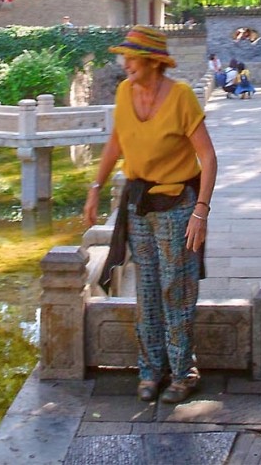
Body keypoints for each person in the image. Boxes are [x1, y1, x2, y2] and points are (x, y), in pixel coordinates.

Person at [84, 25, 218, 405]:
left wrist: (201, 212)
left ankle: (183, 371)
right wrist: (95, 187)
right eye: (125, 56)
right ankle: (150, 369)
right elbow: (116, 142)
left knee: (176, 288)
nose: (125, 63)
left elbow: (207, 158)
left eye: (132, 57)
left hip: (177, 204)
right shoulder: (125, 92)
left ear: (153, 62)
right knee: (146, 289)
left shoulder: (180, 97)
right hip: (138, 204)